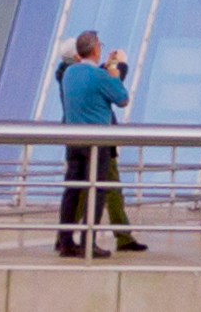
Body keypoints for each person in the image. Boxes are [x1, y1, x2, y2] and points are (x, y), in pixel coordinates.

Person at [53, 31, 144, 258]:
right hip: (97, 142)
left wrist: (109, 68)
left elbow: (91, 82)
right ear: (95, 50)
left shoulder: (69, 74)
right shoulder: (101, 76)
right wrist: (115, 72)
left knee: (72, 191)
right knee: (97, 191)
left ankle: (66, 242)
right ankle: (88, 242)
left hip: (73, 140)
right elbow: (122, 98)